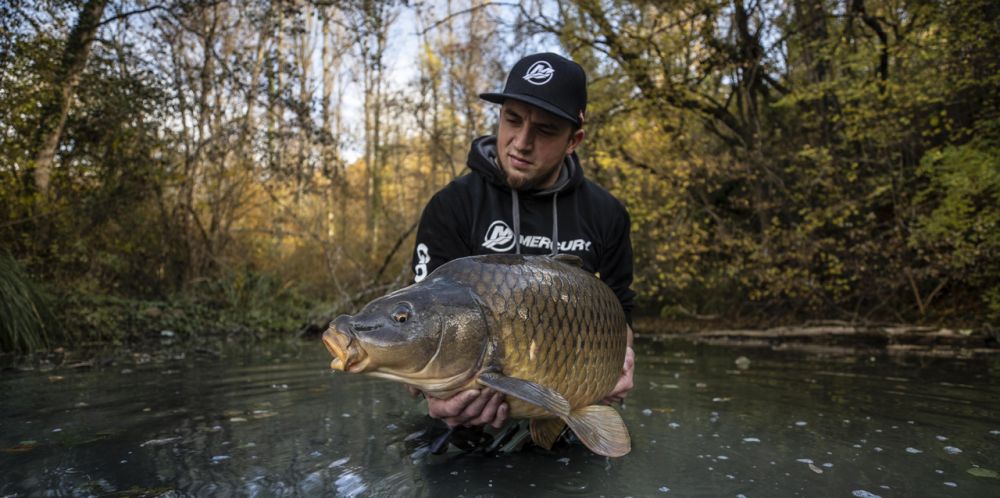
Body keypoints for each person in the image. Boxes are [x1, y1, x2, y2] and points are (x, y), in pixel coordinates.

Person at [408, 52, 636, 438]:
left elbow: (622, 316)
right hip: (467, 430)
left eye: (545, 130)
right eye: (512, 120)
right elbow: (416, 329)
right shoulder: (452, 207)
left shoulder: (607, 215)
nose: (521, 142)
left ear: (573, 140)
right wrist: (430, 396)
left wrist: (623, 364)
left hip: (568, 413)